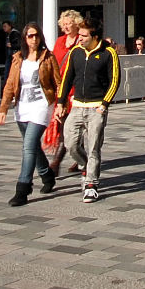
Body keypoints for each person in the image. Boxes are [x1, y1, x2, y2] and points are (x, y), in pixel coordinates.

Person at [54, 19, 120, 202]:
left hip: (96, 107)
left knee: (93, 147)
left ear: (94, 37)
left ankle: (91, 184)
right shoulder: (75, 52)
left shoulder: (108, 53)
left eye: (84, 36)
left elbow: (115, 79)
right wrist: (60, 103)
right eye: (80, 35)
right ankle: (85, 166)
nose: (80, 39)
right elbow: (67, 78)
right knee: (71, 144)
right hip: (76, 106)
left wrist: (104, 104)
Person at [0, 23, 59, 205]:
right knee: (31, 146)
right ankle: (47, 175)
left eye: (36, 35)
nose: (34, 39)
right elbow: (10, 85)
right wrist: (3, 109)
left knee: (29, 146)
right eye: (30, 36)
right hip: (22, 107)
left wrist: (60, 105)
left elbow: (58, 81)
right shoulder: (18, 58)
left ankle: (23, 189)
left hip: (41, 105)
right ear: (24, 38)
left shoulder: (48, 57)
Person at [48, 9, 85, 175]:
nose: (66, 27)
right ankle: (80, 157)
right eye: (64, 24)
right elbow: (54, 63)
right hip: (61, 89)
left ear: (77, 24)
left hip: (76, 89)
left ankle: (56, 162)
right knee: (65, 126)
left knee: (69, 128)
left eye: (69, 23)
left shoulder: (82, 42)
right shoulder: (60, 41)